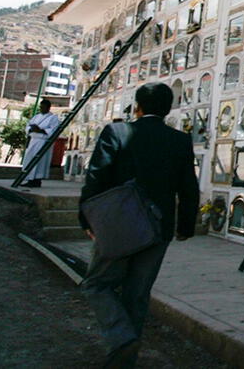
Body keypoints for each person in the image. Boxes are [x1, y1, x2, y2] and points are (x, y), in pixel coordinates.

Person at [79, 82, 199, 368]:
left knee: (97, 284)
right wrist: (185, 226)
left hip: (119, 224)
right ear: (168, 109)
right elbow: (188, 188)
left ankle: (120, 338)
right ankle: (125, 358)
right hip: (158, 228)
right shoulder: (180, 140)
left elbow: (96, 177)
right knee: (137, 293)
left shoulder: (116, 132)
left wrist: (86, 216)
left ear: (137, 107)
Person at [20, 99, 60, 188]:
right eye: (40, 107)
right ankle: (30, 179)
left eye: (43, 107)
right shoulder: (36, 117)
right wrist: (30, 129)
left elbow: (54, 130)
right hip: (33, 140)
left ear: (48, 108)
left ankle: (36, 180)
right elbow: (28, 125)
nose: (41, 109)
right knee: (30, 159)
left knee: (39, 162)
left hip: (43, 141)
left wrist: (41, 130)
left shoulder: (53, 118)